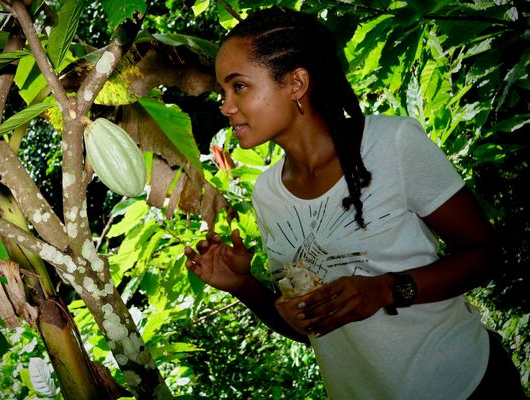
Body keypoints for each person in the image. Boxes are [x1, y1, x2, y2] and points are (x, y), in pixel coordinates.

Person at [184, 7, 527, 399]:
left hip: (467, 385)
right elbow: (311, 329)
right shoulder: (267, 195)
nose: (225, 105)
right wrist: (244, 286)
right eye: (222, 92)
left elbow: (486, 253)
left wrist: (385, 290)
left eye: (238, 86)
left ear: (296, 83)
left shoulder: (391, 144)